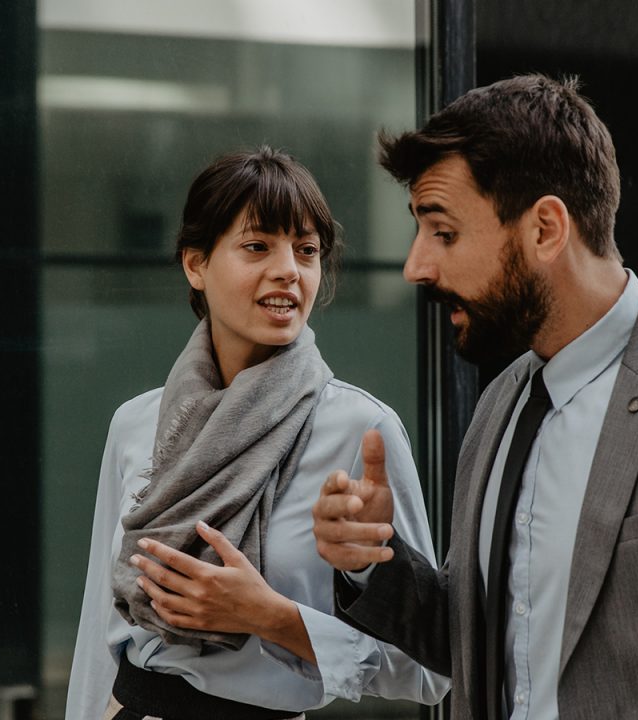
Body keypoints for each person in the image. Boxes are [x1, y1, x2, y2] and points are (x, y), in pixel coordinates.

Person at [313, 74, 638, 720]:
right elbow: (482, 642)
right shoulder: (500, 405)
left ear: (546, 229)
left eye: (443, 233)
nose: (416, 267)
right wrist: (372, 559)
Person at [67, 147, 449, 720]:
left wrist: (268, 616)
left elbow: (426, 669)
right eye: (257, 246)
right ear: (196, 264)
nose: (289, 270)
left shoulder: (359, 431)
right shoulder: (138, 424)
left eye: (307, 250)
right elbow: (102, 629)